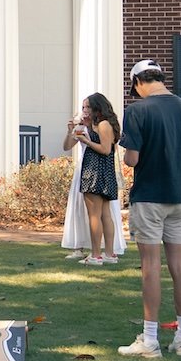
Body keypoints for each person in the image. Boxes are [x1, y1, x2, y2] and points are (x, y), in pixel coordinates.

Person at [117, 60, 181, 359]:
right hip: (180, 197)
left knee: (151, 268)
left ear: (139, 82)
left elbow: (132, 160)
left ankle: (151, 340)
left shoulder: (137, 111)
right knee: (179, 267)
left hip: (149, 196)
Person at [65, 94, 123, 264]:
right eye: (83, 108)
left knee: (95, 215)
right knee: (104, 214)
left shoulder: (104, 124)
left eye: (88, 107)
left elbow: (105, 149)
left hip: (96, 171)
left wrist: (86, 140)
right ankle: (109, 254)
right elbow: (67, 146)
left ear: (98, 107)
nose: (85, 111)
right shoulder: (88, 126)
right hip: (101, 171)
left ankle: (96, 255)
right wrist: (71, 132)